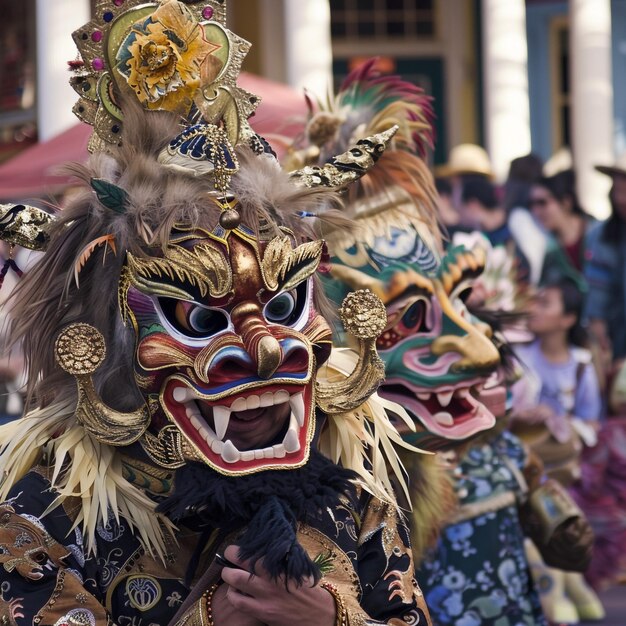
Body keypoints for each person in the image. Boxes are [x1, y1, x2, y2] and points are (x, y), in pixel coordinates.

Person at [0, 3, 431, 625]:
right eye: (198, 317)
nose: (265, 349)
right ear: (107, 338)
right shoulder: (45, 508)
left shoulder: (355, 493)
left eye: (283, 308)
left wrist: (329, 619)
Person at [512, 279, 604, 623]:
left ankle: (567, 590)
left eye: (546, 303)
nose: (534, 307)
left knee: (558, 527)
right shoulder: (518, 356)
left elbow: (591, 422)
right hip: (525, 466)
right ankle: (566, 593)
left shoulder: (581, 367)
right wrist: (522, 415)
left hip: (562, 472)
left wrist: (559, 421)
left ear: (567, 319)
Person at [584, 153, 626, 365]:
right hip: (614, 343)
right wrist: (598, 330)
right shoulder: (600, 235)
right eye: (617, 190)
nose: (621, 199)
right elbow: (596, 290)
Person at [528, 170, 593, 285]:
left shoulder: (598, 233)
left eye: (542, 202)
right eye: (532, 204)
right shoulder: (548, 249)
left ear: (566, 202)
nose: (536, 211)